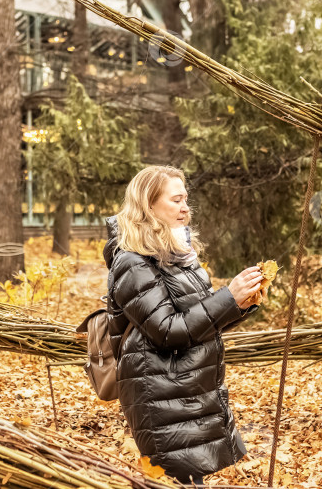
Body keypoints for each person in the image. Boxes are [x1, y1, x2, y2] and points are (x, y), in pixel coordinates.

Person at [102, 165, 263, 485]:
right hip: (161, 396)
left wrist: (240, 304)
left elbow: (197, 323)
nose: (185, 208)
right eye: (176, 200)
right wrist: (227, 297)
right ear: (148, 205)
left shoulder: (177, 255)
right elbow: (168, 331)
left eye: (186, 199)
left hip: (190, 390)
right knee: (182, 482)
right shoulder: (131, 261)